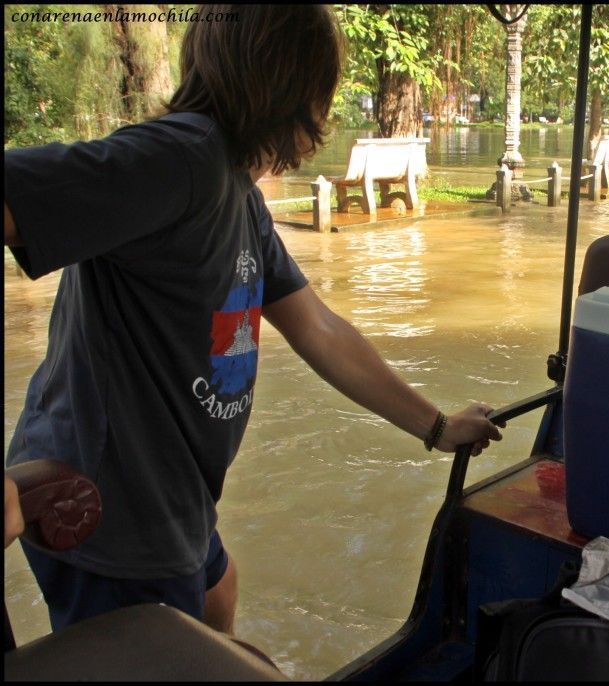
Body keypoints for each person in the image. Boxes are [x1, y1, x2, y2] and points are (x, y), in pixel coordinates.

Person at [3, 5, 501, 637]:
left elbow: (316, 327)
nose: (324, 118)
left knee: (219, 589)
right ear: (291, 89)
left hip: (173, 499)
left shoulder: (234, 192)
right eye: (324, 96)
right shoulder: (178, 159)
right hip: (110, 511)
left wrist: (435, 425)